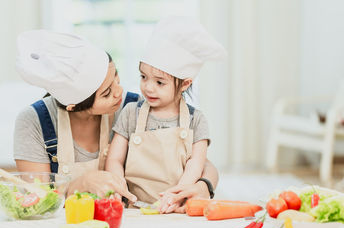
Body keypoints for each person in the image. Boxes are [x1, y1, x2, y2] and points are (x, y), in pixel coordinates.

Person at [14, 29, 218, 209]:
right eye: (107, 93)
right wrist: (79, 185)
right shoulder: (35, 122)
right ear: (73, 106)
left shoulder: (137, 108)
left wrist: (203, 187)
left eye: (117, 78)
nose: (119, 92)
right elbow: (39, 198)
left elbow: (203, 164)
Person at [106, 16, 226, 213]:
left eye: (159, 82)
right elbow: (115, 159)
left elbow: (196, 164)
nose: (148, 87)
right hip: (133, 207)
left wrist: (177, 194)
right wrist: (118, 187)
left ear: (185, 84)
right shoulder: (130, 113)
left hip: (177, 207)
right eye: (143, 77)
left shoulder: (196, 120)